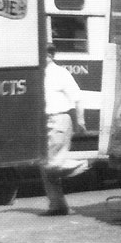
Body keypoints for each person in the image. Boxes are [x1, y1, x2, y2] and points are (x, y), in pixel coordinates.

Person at [40, 44, 88, 216]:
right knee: (45, 168)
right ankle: (58, 206)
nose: (40, 56)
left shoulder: (60, 73)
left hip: (59, 119)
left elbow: (77, 97)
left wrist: (80, 120)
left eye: (43, 53)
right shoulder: (38, 73)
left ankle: (85, 164)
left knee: (51, 164)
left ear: (51, 55)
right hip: (44, 122)